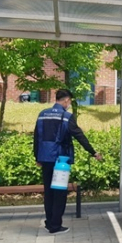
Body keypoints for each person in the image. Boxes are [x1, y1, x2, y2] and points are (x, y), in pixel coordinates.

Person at [34, 89, 102, 234]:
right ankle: (55, 226)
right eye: (69, 101)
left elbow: (36, 137)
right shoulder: (67, 117)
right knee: (59, 192)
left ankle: (49, 222)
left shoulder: (42, 114)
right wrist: (93, 152)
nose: (69, 104)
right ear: (66, 100)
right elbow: (79, 136)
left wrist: (37, 157)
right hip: (61, 161)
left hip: (45, 158)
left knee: (49, 192)